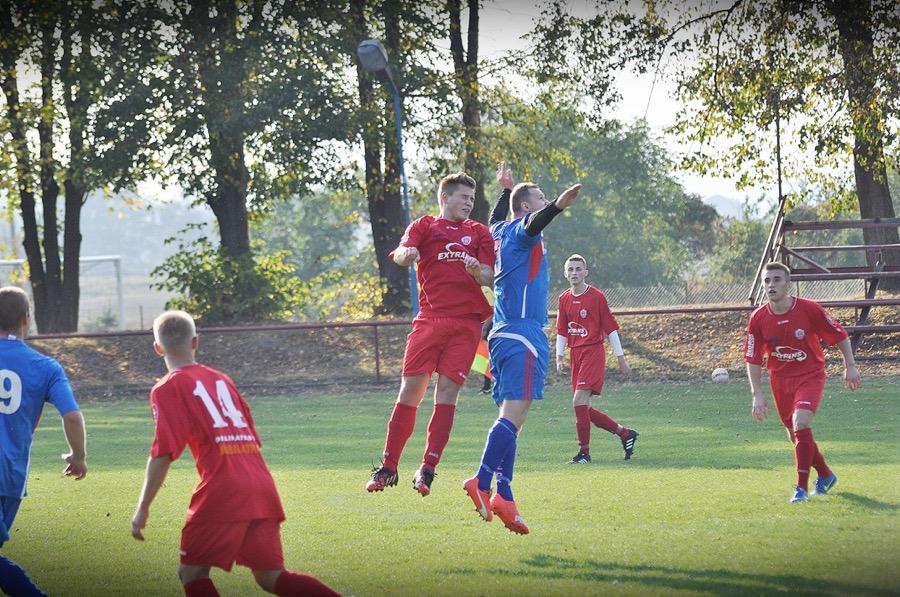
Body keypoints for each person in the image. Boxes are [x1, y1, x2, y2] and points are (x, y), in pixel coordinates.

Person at [131, 310, 339, 597]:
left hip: (223, 488)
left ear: (158, 348)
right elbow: (250, 433)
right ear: (195, 342)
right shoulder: (222, 380)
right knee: (270, 576)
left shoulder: (168, 387)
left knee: (192, 572)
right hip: (260, 483)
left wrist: (143, 507)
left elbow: (163, 453)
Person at [464, 162, 581, 534]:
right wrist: (558, 206)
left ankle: (505, 495)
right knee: (512, 418)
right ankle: (481, 481)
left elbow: (497, 217)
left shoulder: (499, 230)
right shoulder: (522, 230)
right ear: (528, 207)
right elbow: (533, 223)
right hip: (522, 333)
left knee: (512, 418)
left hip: (502, 333)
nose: (544, 201)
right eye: (540, 198)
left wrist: (505, 190)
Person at [365, 172, 494, 497]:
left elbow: (490, 276)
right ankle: (388, 468)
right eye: (463, 197)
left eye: (471, 198)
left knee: (447, 395)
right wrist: (407, 255)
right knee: (410, 392)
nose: (469, 203)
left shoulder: (479, 232)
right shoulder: (425, 225)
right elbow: (401, 252)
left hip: (466, 325)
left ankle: (427, 470)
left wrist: (477, 271)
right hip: (430, 321)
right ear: (445, 197)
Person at [744, 262, 861, 503]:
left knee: (801, 422)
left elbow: (840, 335)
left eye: (777, 280)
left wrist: (850, 366)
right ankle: (825, 474)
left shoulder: (809, 309)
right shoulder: (758, 318)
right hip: (780, 380)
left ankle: (801, 488)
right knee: (795, 434)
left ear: (788, 284)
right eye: (767, 281)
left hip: (810, 375)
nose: (771, 285)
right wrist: (757, 394)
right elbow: (752, 358)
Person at [0, 286, 87, 597]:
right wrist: (78, 456)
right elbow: (72, 416)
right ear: (26, 318)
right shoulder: (45, 367)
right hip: (11, 475)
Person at [555, 254, 637, 464]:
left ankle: (584, 453)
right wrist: (559, 356)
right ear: (565, 273)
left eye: (578, 269)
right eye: (570, 269)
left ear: (586, 272)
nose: (574, 272)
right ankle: (625, 433)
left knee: (578, 402)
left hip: (593, 352)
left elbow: (611, 330)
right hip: (575, 355)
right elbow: (562, 331)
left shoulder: (597, 297)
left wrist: (621, 359)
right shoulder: (563, 298)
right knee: (584, 408)